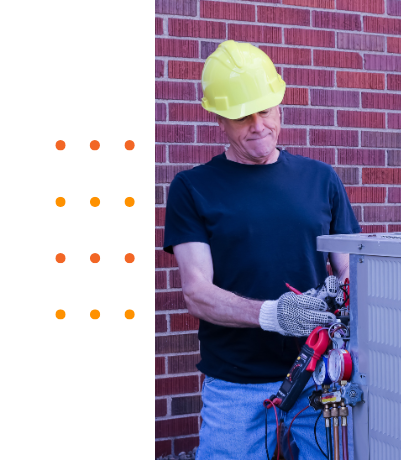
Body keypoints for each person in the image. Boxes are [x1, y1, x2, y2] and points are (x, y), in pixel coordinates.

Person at [163, 40, 361, 459]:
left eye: (266, 110)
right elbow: (197, 292)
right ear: (218, 117)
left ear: (280, 106)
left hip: (320, 378)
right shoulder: (192, 188)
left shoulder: (321, 179)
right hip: (236, 383)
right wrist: (275, 314)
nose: (258, 125)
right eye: (242, 115)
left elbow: (349, 272)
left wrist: (343, 308)